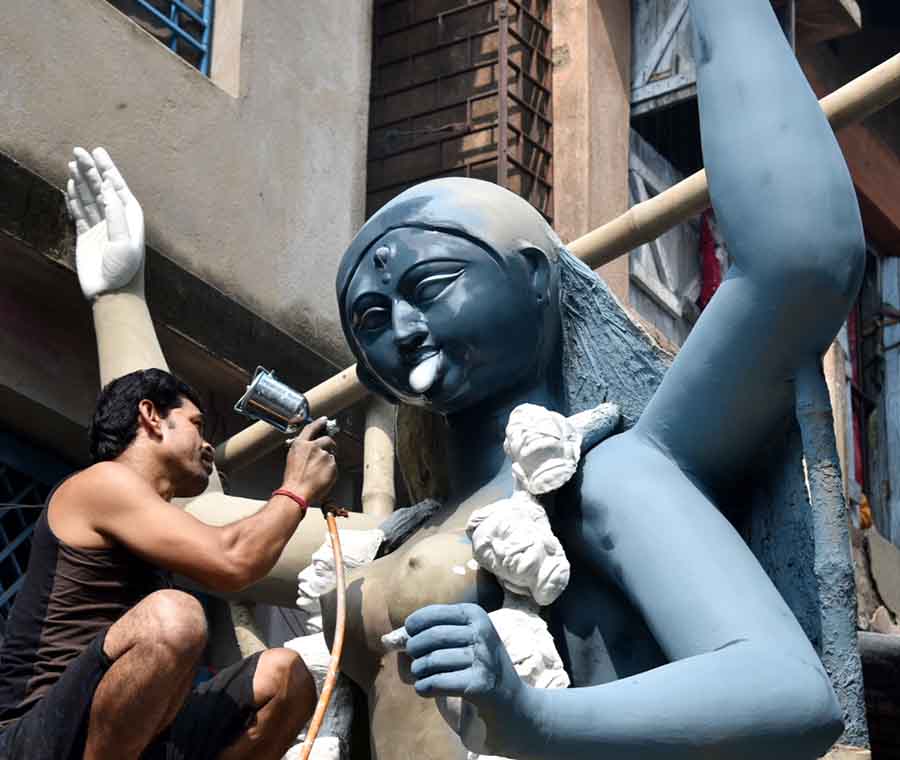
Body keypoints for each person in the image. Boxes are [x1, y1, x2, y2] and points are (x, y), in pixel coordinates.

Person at [63, 0, 865, 757]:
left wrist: (534, 717)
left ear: (537, 280)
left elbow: (788, 690)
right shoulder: (395, 533)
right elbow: (186, 514)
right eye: (372, 321)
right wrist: (119, 297)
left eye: (432, 287)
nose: (403, 329)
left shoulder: (602, 472)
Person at [0, 366, 339, 759]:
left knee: (287, 677)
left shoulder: (152, 524)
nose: (208, 445)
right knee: (174, 618)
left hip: (133, 740)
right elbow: (233, 560)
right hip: (36, 738)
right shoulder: (101, 483)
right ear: (151, 416)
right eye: (196, 424)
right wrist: (296, 489)